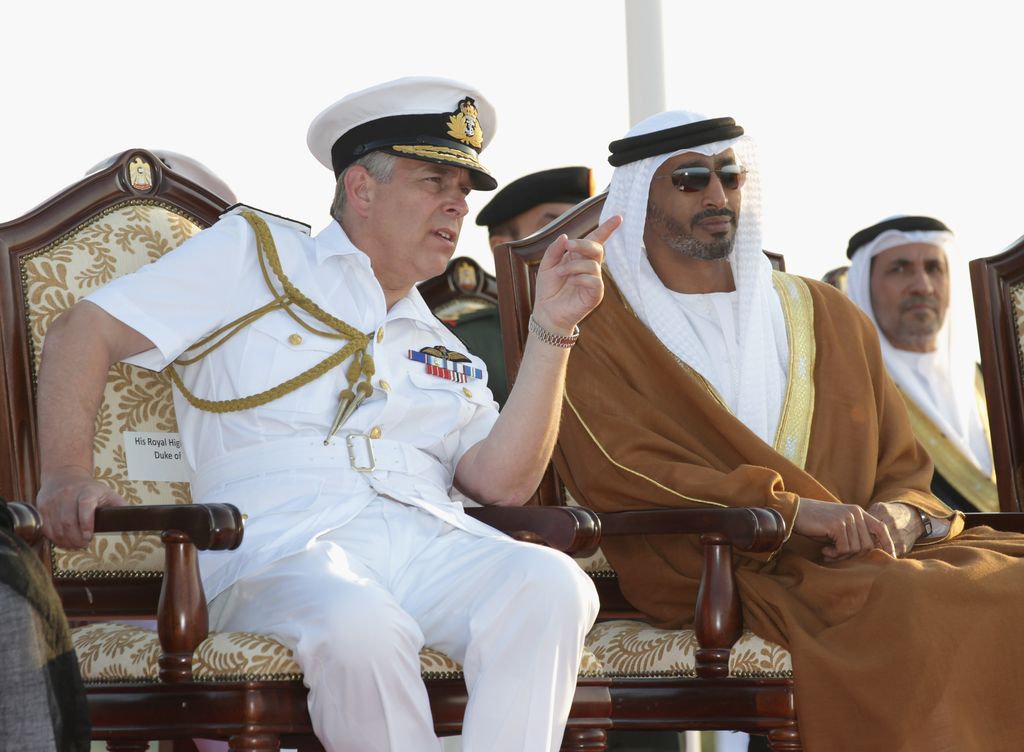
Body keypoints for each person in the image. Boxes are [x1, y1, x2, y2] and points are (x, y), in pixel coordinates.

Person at [33, 76, 619, 752]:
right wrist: (67, 472)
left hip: (423, 539)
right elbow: (83, 331)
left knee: (550, 585)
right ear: (362, 189)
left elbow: (503, 485)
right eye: (435, 182)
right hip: (275, 544)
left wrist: (553, 329)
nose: (458, 205)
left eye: (464, 192)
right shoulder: (256, 255)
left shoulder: (440, 342)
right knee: (361, 624)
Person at [552, 109, 1024, 751]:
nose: (717, 196)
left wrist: (903, 517)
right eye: (690, 179)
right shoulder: (601, 324)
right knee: (916, 611)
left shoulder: (826, 313)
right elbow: (625, 467)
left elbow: (903, 468)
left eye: (728, 176)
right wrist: (798, 513)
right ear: (641, 198)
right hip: (716, 561)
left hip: (867, 557)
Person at [845, 216, 996, 513]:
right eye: (899, 269)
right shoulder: (851, 390)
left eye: (933, 268)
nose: (922, 286)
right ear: (864, 285)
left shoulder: (991, 382)